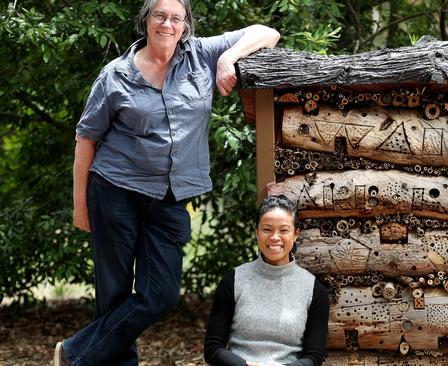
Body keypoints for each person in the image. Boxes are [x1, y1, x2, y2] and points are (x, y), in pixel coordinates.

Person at [55, 0, 280, 364]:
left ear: (185, 23)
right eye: (160, 15)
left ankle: (75, 353)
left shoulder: (200, 55)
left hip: (169, 198)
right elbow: (86, 140)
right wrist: (80, 205)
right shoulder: (116, 75)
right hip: (115, 192)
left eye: (176, 17)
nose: (167, 24)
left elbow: (267, 33)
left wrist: (227, 59)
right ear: (146, 21)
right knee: (112, 293)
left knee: (160, 294)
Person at [204, 195, 329, 366]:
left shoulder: (314, 290)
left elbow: (314, 357)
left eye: (284, 230)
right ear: (257, 233)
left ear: (295, 234)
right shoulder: (233, 281)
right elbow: (213, 349)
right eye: (267, 229)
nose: (275, 237)